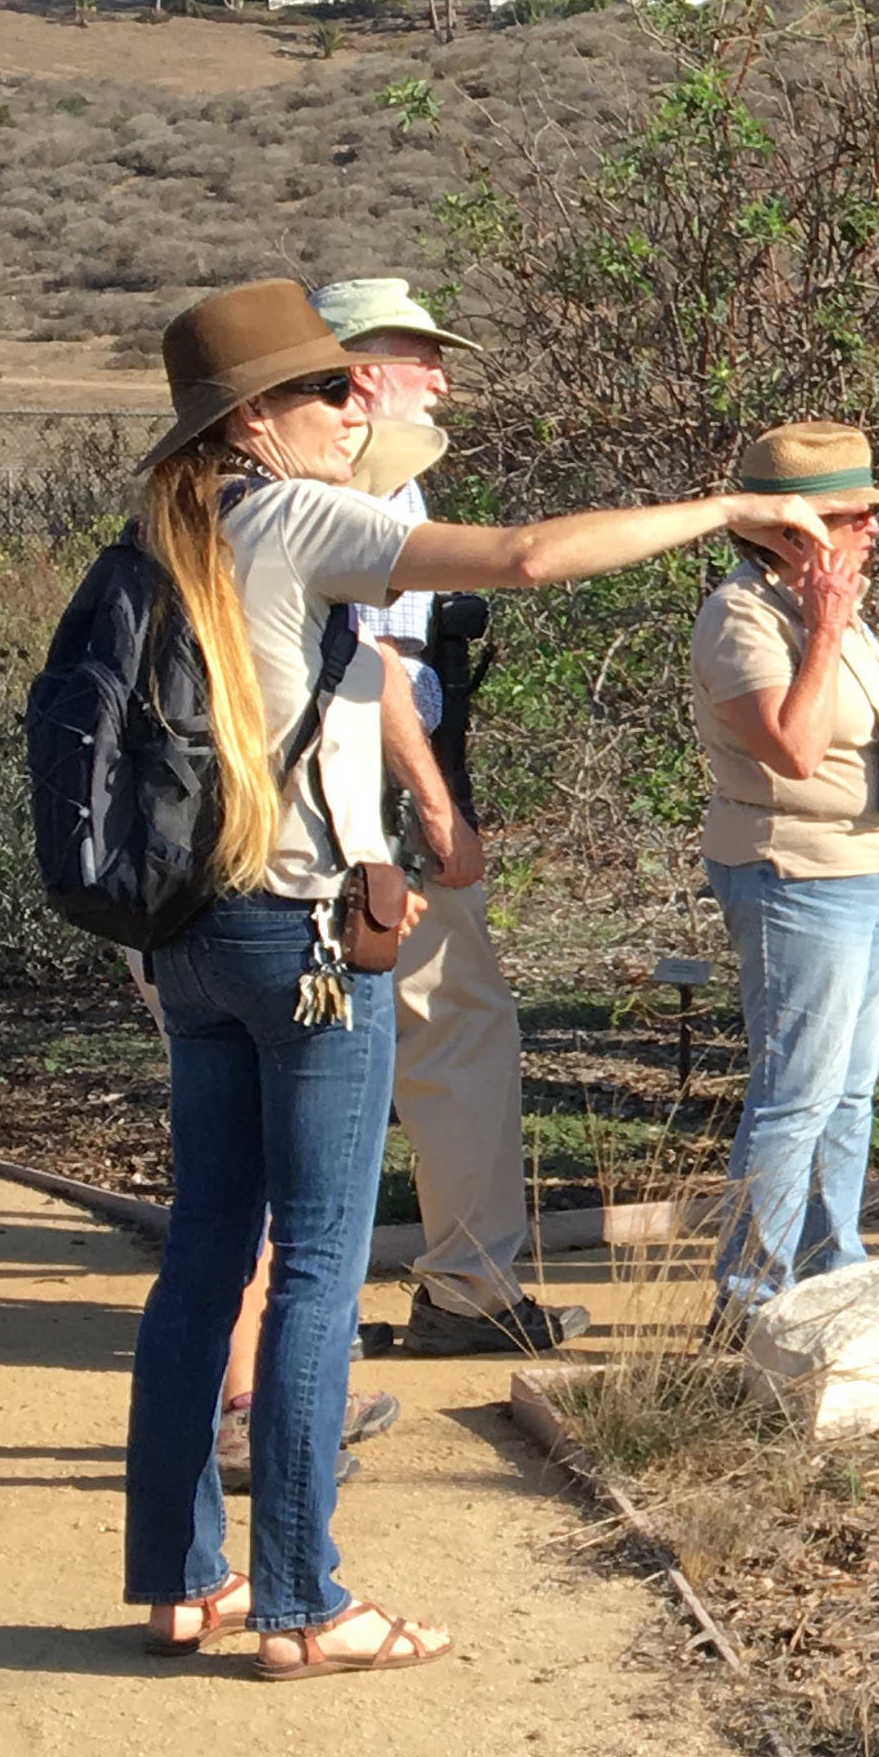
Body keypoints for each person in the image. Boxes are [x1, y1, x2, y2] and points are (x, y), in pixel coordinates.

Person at [122, 277, 826, 1675]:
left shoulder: (171, 530)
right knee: (321, 1267)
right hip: (307, 927)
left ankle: (185, 1583)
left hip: (192, 927)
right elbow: (520, 556)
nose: (350, 411)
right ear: (258, 418)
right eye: (328, 391)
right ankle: (305, 1601)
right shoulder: (293, 514)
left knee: (207, 1259)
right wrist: (720, 513)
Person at [309, 276, 589, 1357]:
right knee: (442, 1031)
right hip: (372, 798)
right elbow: (373, 660)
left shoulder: (346, 478)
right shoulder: (366, 488)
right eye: (419, 356)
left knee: (351, 1038)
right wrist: (435, 805)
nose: (442, 379)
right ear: (361, 371)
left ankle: (324, 1304)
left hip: (361, 786)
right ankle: (461, 1288)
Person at [692, 423, 879, 1333]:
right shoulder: (744, 616)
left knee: (850, 1088)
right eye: (850, 514)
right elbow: (791, 749)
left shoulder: (839, 608)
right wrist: (826, 623)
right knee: (794, 1094)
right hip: (797, 875)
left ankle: (834, 1268)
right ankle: (750, 1297)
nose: (871, 527)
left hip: (871, 869)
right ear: (789, 529)